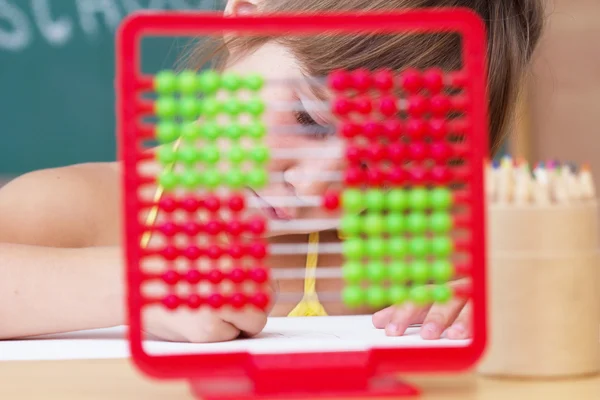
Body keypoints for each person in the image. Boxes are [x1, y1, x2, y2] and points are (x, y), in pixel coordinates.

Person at [0, 0, 543, 343]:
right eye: (309, 116)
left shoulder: (422, 245)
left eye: (378, 163)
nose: (317, 186)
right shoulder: (76, 207)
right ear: (247, 20)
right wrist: (145, 284)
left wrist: (508, 298)